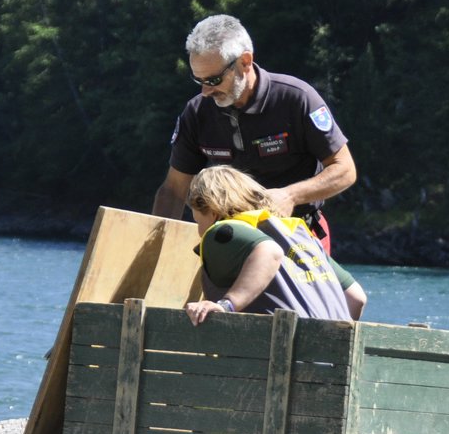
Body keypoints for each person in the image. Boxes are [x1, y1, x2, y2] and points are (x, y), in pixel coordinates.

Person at [152, 14, 355, 256]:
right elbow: (173, 190)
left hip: (299, 234)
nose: (206, 91)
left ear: (245, 62)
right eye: (199, 80)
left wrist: (290, 195)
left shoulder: (296, 98)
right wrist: (154, 250)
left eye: (214, 80)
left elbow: (345, 169)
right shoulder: (196, 113)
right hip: (233, 242)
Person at [183, 165, 367, 326]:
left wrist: (226, 305)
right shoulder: (301, 234)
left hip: (282, 358)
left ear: (212, 210)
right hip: (333, 360)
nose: (200, 232)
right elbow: (357, 297)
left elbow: (270, 252)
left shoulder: (224, 230)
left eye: (198, 221)